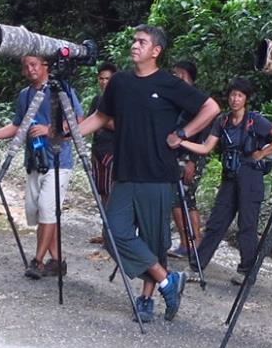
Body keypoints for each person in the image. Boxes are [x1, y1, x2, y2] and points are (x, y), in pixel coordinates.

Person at [74, 26, 219, 322]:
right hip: (125, 174)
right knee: (113, 234)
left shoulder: (169, 83)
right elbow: (102, 116)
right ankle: (168, 281)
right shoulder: (120, 82)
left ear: (156, 51)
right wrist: (71, 133)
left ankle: (146, 298)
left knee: (154, 241)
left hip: (158, 175)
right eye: (134, 41)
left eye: (142, 42)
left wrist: (183, 133)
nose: (134, 45)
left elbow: (211, 107)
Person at [0, 53, 80, 280]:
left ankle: (38, 261)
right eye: (26, 66)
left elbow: (77, 122)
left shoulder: (60, 90)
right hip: (34, 161)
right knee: (37, 211)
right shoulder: (25, 95)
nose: (30, 69)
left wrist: (49, 129)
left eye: (34, 64)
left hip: (57, 160)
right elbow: (18, 125)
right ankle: (57, 260)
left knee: (46, 208)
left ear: (45, 66)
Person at [181, 77, 272, 278]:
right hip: (229, 177)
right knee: (216, 223)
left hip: (250, 177)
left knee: (247, 226)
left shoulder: (255, 120)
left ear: (245, 99)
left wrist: (263, 153)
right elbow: (206, 147)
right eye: (232, 95)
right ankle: (196, 267)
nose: (235, 99)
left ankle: (246, 272)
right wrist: (182, 142)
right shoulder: (222, 120)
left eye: (239, 95)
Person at [168, 59, 204, 259]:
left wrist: (193, 160)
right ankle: (186, 243)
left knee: (184, 199)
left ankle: (194, 242)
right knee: (179, 200)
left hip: (191, 156)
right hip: (176, 154)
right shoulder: (177, 97)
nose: (176, 78)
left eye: (180, 74)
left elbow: (204, 134)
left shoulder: (197, 99)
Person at [89, 62, 118, 204]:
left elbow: (120, 126)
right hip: (97, 151)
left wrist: (100, 120)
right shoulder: (97, 100)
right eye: (101, 78)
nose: (104, 82)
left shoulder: (120, 100)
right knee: (100, 190)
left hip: (113, 152)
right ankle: (105, 223)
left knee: (113, 191)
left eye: (108, 79)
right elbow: (89, 124)